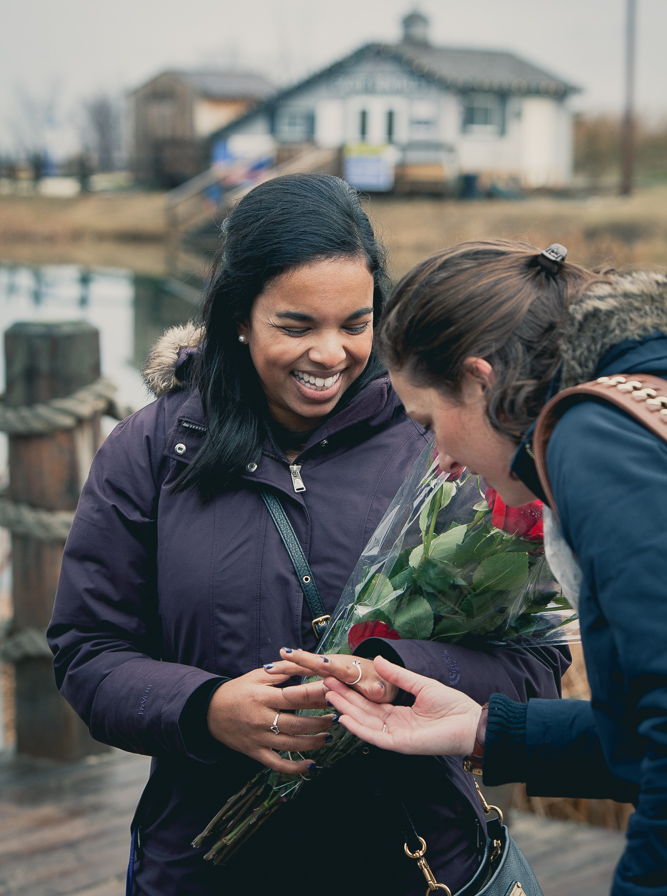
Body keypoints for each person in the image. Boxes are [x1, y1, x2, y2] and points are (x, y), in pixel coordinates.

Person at [48, 187, 567, 896]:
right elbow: (88, 653)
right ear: (237, 317)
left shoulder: (441, 438)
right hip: (205, 866)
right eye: (296, 325)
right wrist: (205, 709)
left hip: (414, 864)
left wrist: (398, 670)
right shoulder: (152, 449)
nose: (331, 353)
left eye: (355, 323)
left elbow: (536, 663)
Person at [314, 239, 667, 896]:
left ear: (478, 381)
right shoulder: (636, 411)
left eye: (428, 420)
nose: (439, 460)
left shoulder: (593, 439)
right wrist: (485, 730)